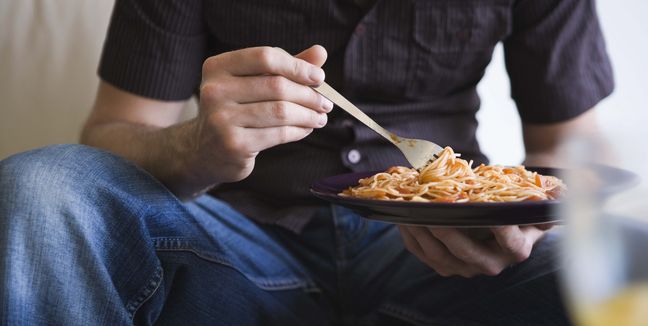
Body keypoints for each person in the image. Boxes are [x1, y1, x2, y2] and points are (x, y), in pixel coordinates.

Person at [0, 0, 614, 324]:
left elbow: (566, 151)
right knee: (42, 185)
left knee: (607, 260)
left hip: (442, 249)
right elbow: (113, 131)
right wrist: (196, 147)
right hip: (230, 249)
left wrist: (521, 221)